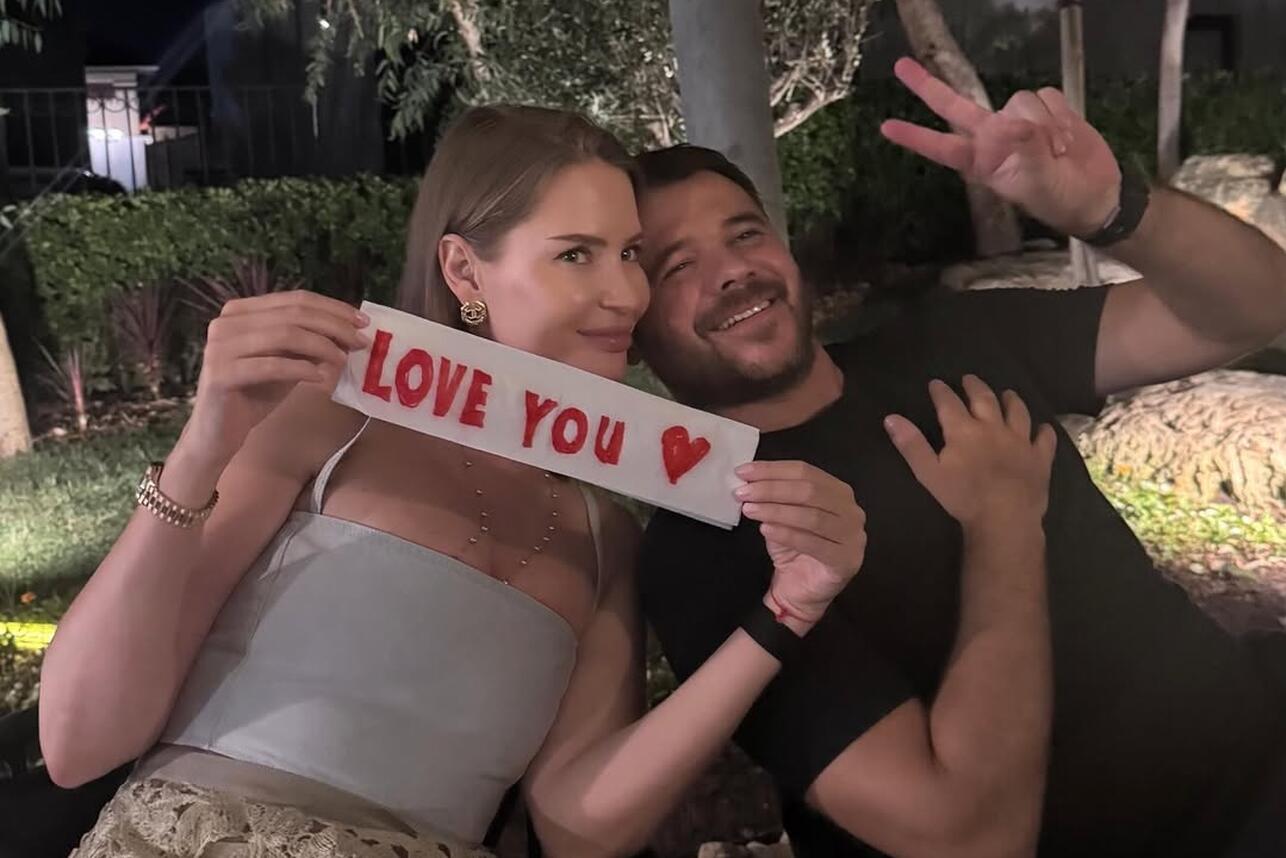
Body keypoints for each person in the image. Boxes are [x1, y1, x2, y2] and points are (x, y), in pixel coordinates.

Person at [38, 105, 877, 858]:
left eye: (630, 254)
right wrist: (200, 451)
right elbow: (79, 742)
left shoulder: (606, 537)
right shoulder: (326, 423)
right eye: (576, 255)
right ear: (466, 273)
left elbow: (579, 824)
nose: (626, 292)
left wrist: (783, 615)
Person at [634, 57, 1286, 858]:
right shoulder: (705, 536)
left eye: (744, 233)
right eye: (678, 267)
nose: (733, 270)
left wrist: (1116, 208)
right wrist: (1004, 524)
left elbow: (1250, 310)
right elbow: (966, 836)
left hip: (1259, 746)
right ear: (635, 324)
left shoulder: (954, 339)